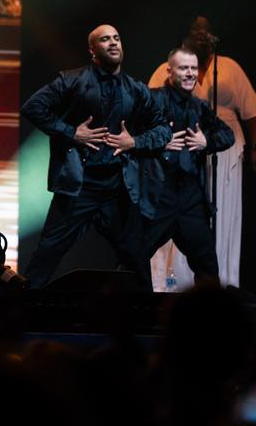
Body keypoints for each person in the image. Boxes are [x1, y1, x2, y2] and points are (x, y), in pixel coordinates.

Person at [21, 24, 170, 290]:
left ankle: (145, 323)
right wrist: (71, 133)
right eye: (105, 39)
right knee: (47, 254)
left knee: (136, 256)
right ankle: (16, 315)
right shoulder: (72, 80)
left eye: (117, 38)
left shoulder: (135, 89)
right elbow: (33, 107)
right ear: (93, 50)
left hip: (117, 189)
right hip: (79, 186)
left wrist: (135, 141)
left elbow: (162, 129)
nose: (113, 43)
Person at [148, 17, 256, 289]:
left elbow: (251, 108)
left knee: (221, 212)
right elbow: (148, 109)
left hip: (221, 147)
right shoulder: (167, 71)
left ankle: (222, 283)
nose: (202, 35)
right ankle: (173, 283)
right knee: (178, 212)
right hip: (180, 150)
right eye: (196, 30)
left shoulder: (228, 67)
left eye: (207, 31)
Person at [141, 48, 234, 284]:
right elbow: (130, 136)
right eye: (184, 68)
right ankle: (135, 314)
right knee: (134, 257)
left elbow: (228, 134)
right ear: (169, 71)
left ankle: (206, 316)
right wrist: (157, 142)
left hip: (191, 198)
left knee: (207, 265)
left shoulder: (199, 107)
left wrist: (207, 142)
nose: (191, 73)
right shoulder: (152, 100)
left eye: (193, 68)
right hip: (160, 195)